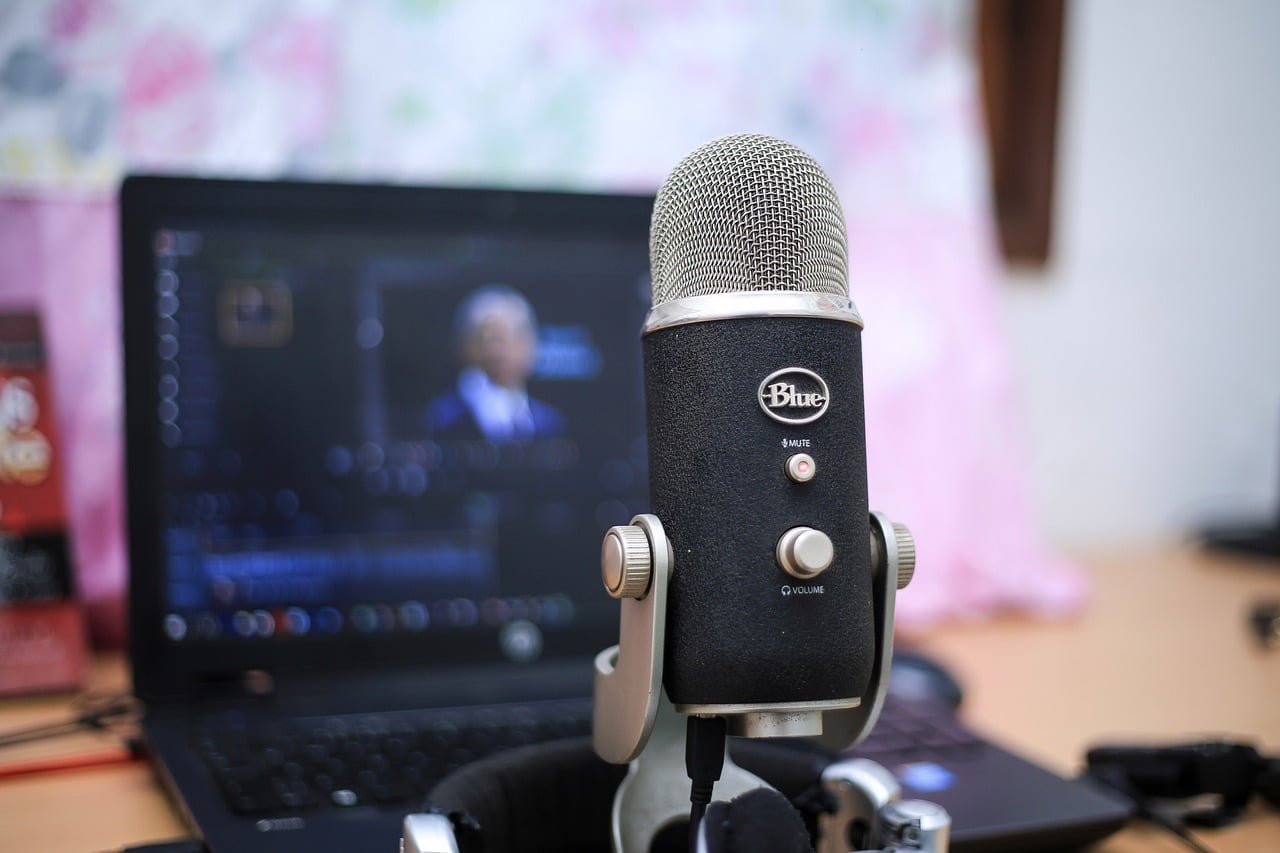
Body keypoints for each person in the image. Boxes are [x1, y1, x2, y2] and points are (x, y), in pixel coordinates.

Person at [426, 285, 565, 442]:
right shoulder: (443, 418)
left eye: (517, 336)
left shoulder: (548, 422)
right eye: (491, 339)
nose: (498, 352)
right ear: (465, 346)